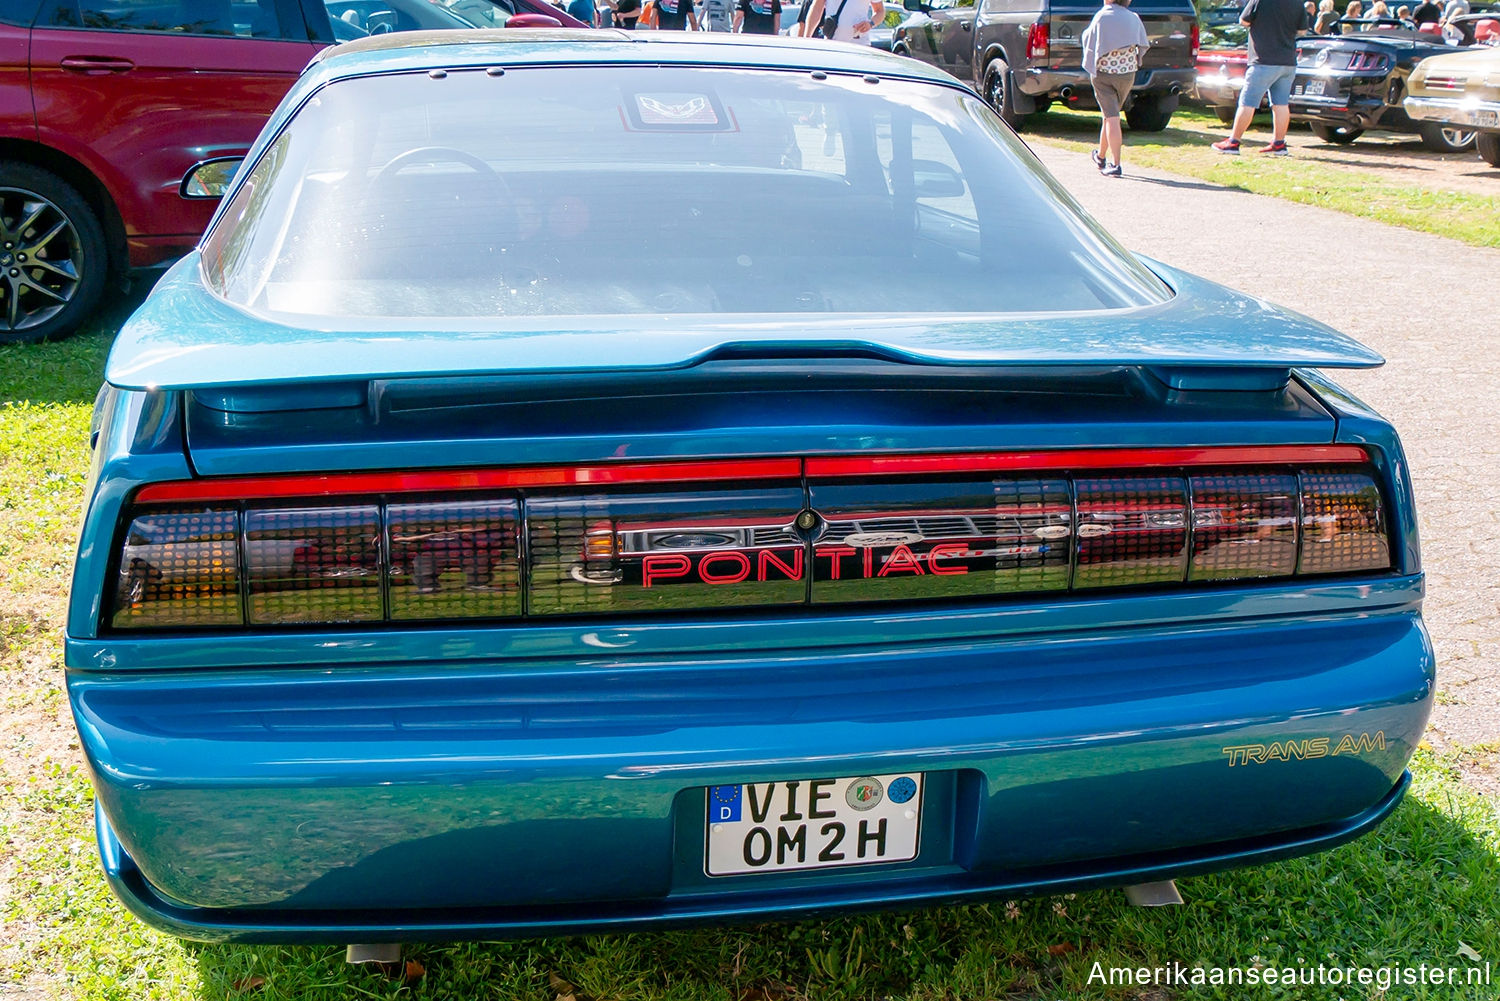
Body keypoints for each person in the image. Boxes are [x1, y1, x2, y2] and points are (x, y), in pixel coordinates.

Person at [1212, 0, 1302, 155]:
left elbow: (1243, 21)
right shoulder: (1297, 3)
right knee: (1280, 104)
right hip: (1287, 61)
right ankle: (1279, 144)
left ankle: (1233, 142)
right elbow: (1302, 30)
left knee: (1247, 102)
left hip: (1263, 60)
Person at [1081, 0, 1149, 177]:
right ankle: (1101, 156)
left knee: (1112, 117)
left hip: (1103, 74)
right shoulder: (1134, 18)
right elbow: (1142, 44)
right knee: (1109, 114)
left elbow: (1089, 39)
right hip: (1127, 74)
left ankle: (1116, 164)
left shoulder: (1102, 16)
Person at [802, 0, 882, 42]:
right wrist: (807, 37)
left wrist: (870, 23)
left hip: (859, 42)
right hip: (832, 42)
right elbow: (816, 9)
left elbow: (880, 11)